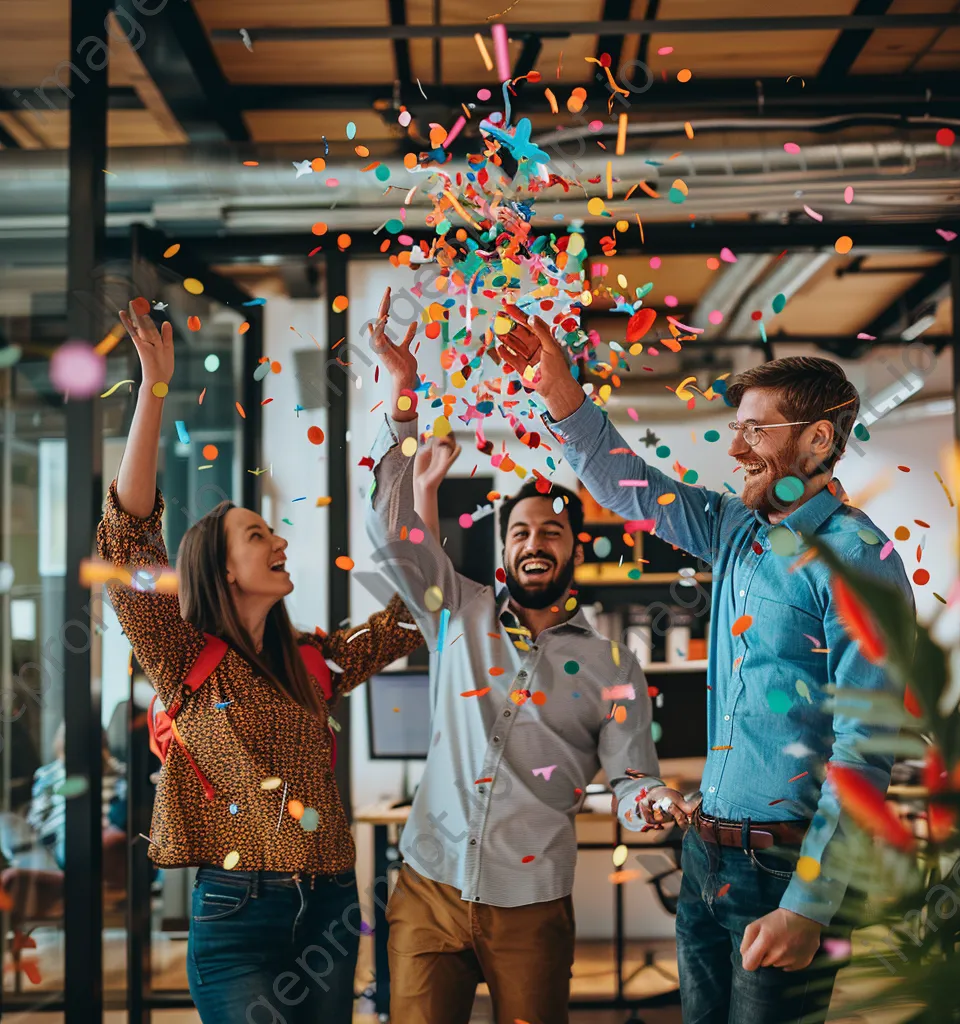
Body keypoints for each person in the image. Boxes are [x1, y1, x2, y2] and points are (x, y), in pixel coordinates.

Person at [496, 311, 914, 1024]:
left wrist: (809, 908)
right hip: (708, 857)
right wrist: (561, 390)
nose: (738, 445)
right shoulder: (734, 531)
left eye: (759, 429)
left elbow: (865, 748)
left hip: (787, 870)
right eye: (738, 426)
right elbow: (628, 487)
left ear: (818, 439)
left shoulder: (859, 563)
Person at [97, 298, 425, 1024]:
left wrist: (400, 419)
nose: (278, 540)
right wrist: (154, 390)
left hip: (332, 903)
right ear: (220, 566)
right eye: (257, 534)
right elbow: (126, 543)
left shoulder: (313, 663)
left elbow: (412, 614)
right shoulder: (181, 655)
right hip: (236, 915)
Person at [367, 288, 689, 1024]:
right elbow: (391, 537)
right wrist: (403, 401)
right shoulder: (455, 611)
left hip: (532, 901)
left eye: (550, 532)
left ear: (574, 547)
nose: (535, 543)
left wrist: (652, 803)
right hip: (429, 886)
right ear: (503, 545)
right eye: (521, 532)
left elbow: (632, 775)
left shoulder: (613, 666)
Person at [26, 722, 126, 869]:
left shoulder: (120, 773)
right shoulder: (48, 774)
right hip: (62, 839)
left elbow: (124, 812)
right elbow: (37, 819)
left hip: (106, 839)